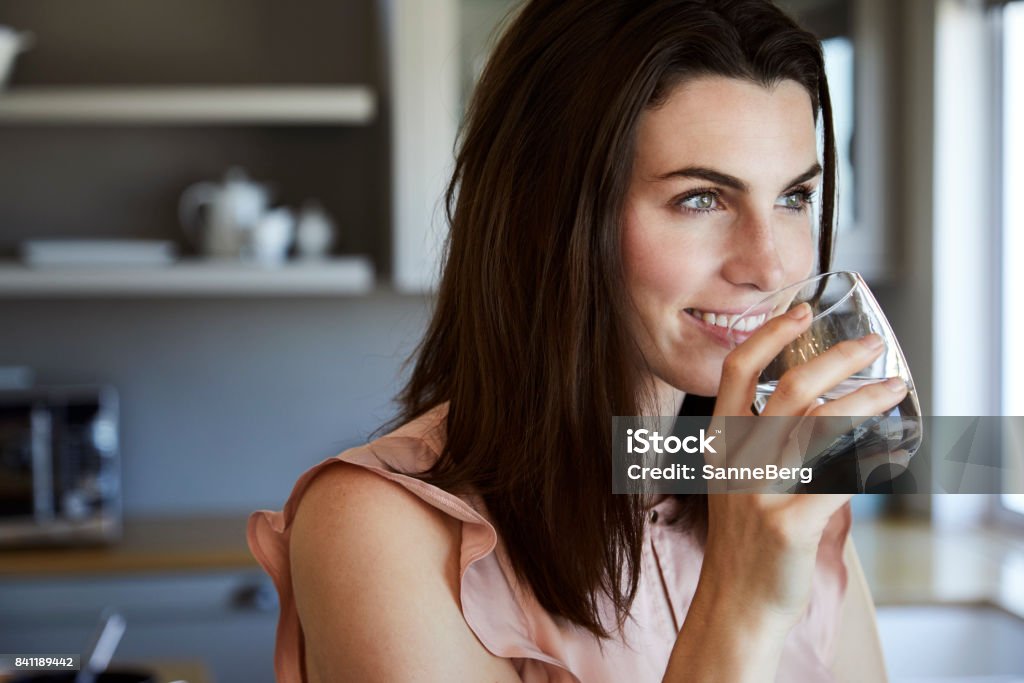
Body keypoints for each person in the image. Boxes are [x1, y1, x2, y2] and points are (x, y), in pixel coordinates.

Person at [248, 0, 902, 680]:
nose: (769, 266)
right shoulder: (377, 529)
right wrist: (742, 603)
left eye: (793, 198)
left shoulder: (776, 488)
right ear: (552, 215)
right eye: (701, 199)